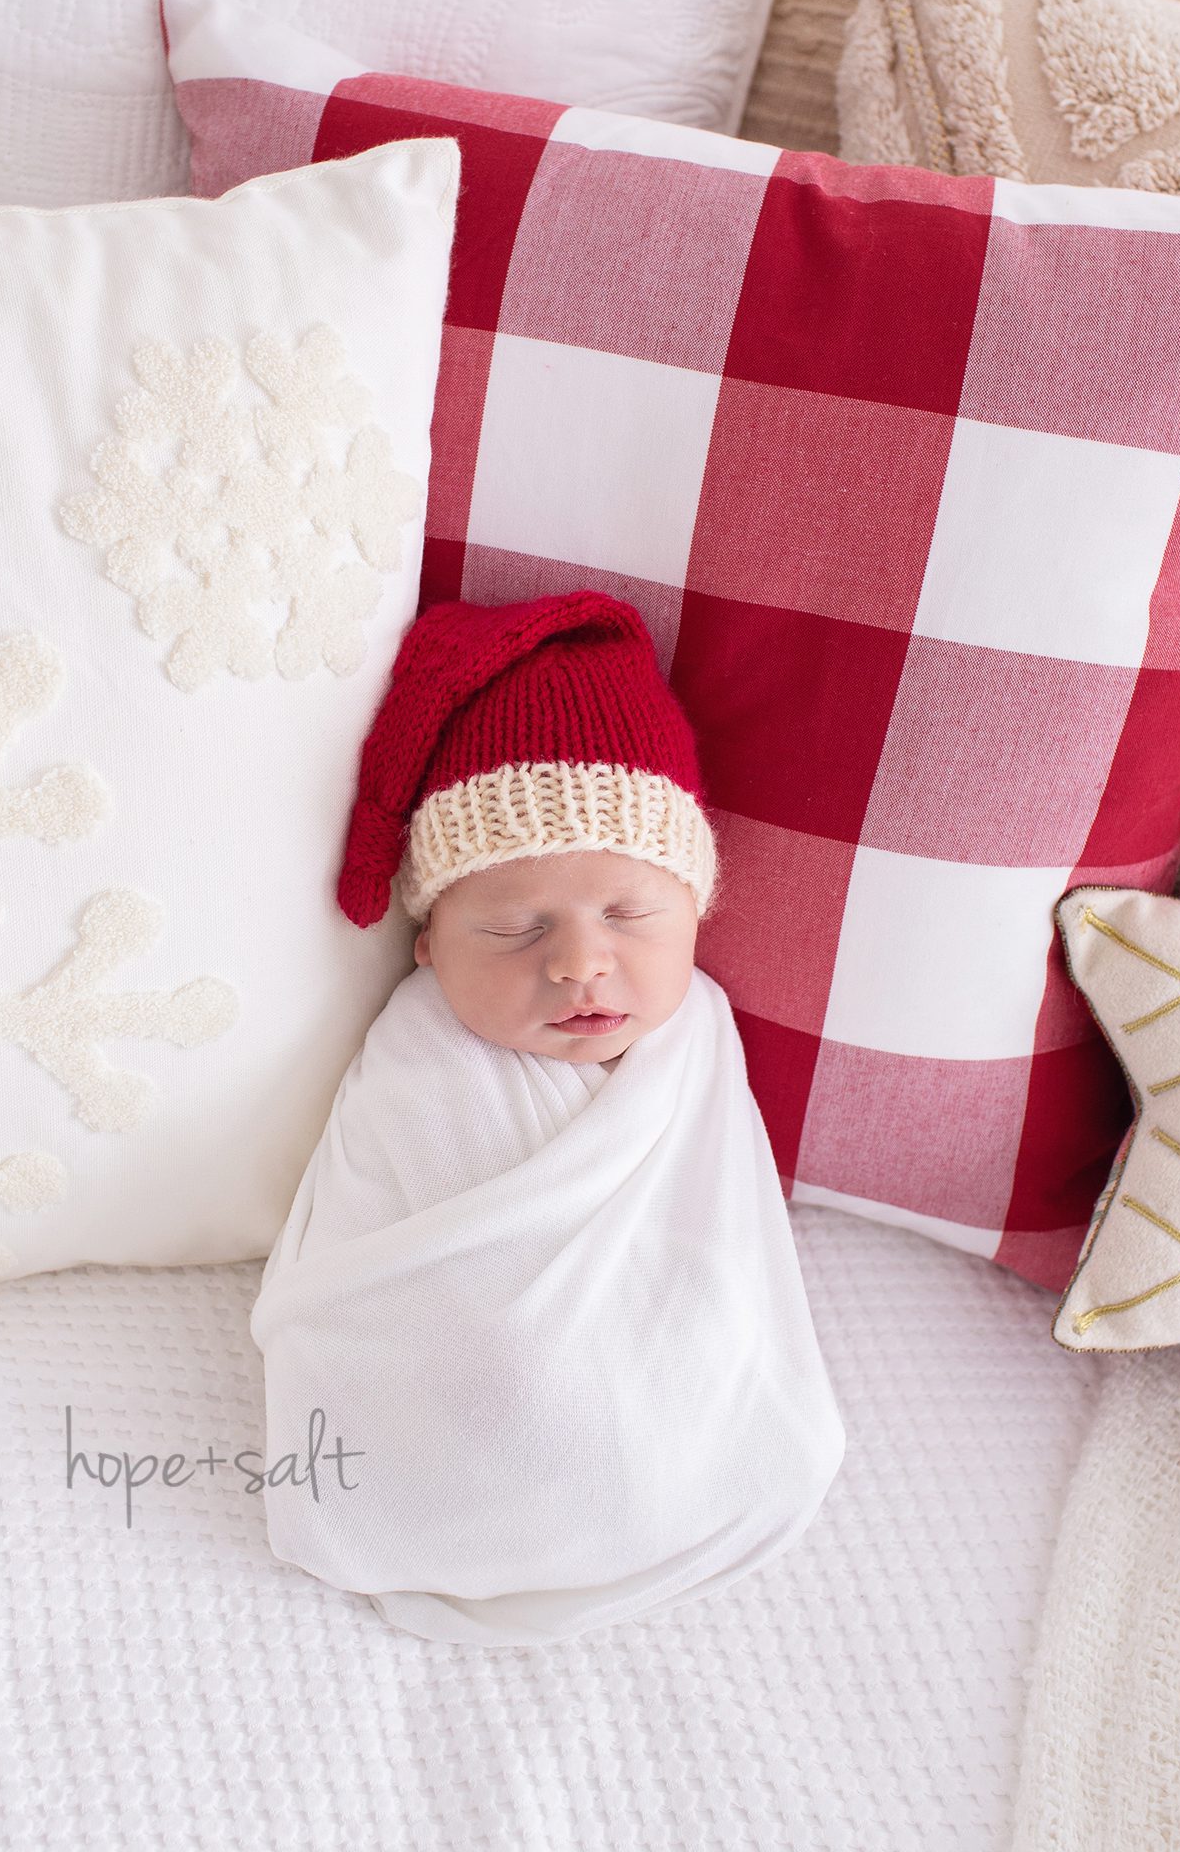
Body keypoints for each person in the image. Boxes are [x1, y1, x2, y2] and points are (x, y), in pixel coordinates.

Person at [249, 589, 844, 1646]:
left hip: (647, 1414)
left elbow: (716, 1248)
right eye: (513, 926)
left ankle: (630, 1473)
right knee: (512, 1371)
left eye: (629, 913)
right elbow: (390, 1270)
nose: (577, 961)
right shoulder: (424, 1057)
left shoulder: (696, 1039)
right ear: (428, 947)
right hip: (452, 1400)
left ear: (696, 905)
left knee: (704, 1381)